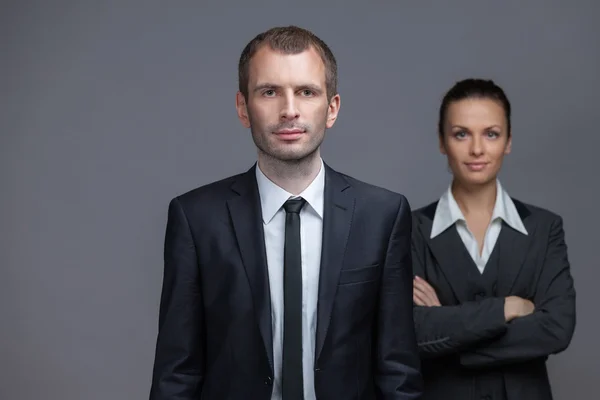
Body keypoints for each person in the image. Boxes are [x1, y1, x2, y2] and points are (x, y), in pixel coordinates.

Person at [149, 25, 422, 400]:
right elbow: (175, 374)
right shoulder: (196, 219)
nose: (289, 110)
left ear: (332, 108)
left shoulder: (383, 216)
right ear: (244, 108)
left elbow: (398, 372)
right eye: (269, 92)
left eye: (306, 92)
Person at [411, 78, 576, 400]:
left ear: (509, 141)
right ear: (442, 142)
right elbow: (411, 332)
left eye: (491, 134)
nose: (477, 149)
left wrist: (449, 335)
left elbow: (556, 329)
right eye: (461, 134)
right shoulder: (408, 229)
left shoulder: (545, 228)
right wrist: (507, 308)